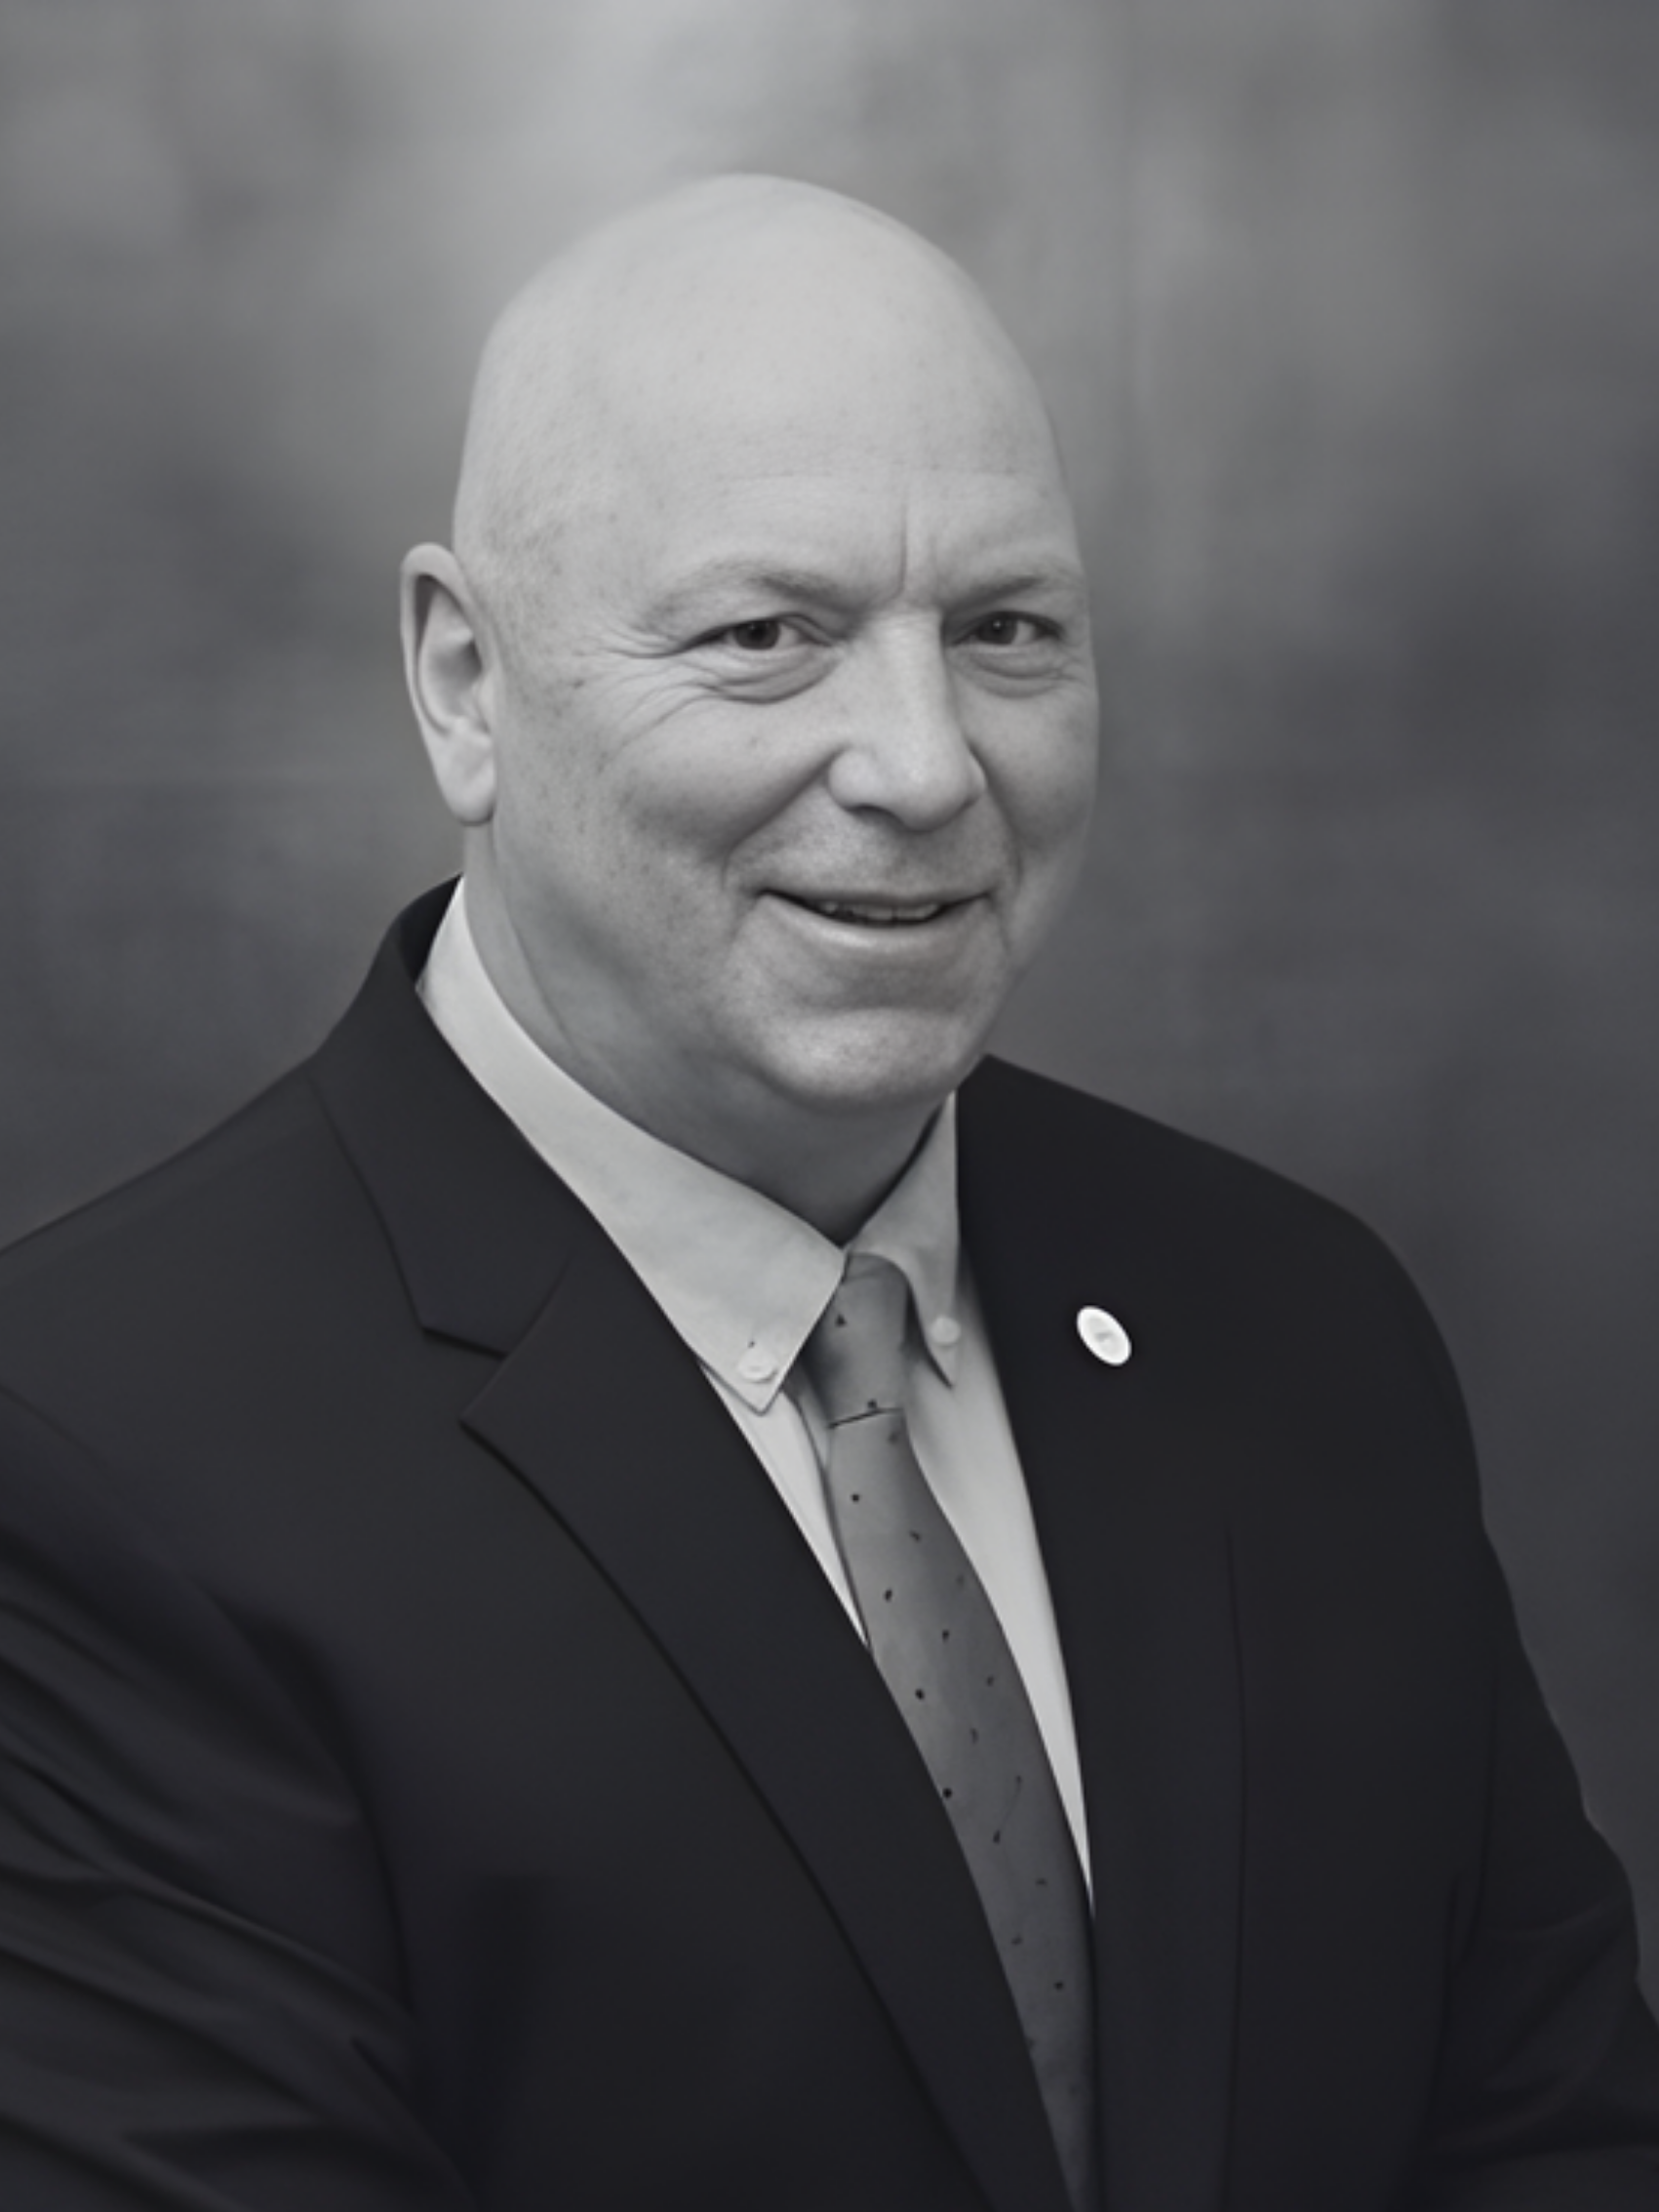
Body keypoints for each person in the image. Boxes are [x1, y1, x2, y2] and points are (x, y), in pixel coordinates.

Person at [0, 174, 1654, 2212]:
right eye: (767, 634)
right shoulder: (88, 1460)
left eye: (1006, 632)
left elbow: (1549, 2145)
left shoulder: (1297, 1325)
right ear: (463, 680)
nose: (926, 760)